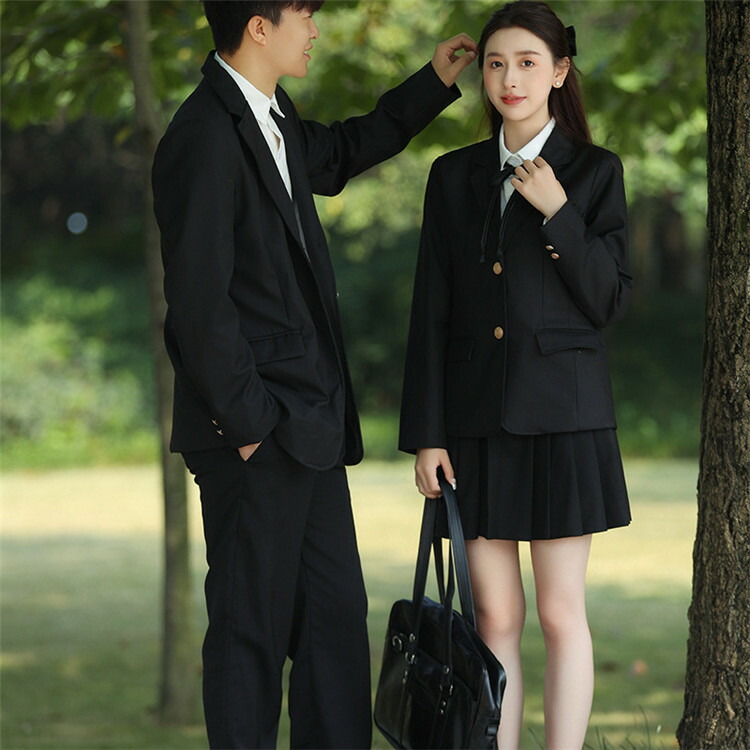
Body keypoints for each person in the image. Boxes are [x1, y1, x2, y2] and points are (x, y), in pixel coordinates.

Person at [151, 2, 477, 748]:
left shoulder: (274, 118)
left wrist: (432, 81)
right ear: (259, 27)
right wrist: (249, 428)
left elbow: (347, 147)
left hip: (312, 429)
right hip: (254, 434)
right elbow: (198, 306)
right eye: (303, 15)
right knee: (250, 636)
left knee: (334, 631)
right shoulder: (201, 136)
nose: (315, 31)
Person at [399, 2, 632, 748]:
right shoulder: (451, 176)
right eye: (496, 63)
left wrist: (559, 212)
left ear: (560, 71)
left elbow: (609, 301)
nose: (510, 78)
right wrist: (427, 434)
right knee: (494, 618)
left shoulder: (595, 173)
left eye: (528, 62)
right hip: (475, 425)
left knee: (561, 615)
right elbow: (430, 311)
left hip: (566, 420)